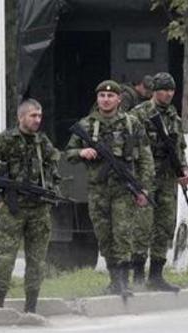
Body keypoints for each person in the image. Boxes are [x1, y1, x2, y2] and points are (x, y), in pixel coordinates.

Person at [65, 80, 155, 297]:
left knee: (122, 234)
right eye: (102, 96)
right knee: (104, 236)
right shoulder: (86, 125)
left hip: (124, 189)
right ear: (97, 99)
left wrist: (143, 189)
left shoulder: (131, 124)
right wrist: (81, 153)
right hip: (98, 190)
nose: (106, 100)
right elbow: (69, 152)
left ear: (119, 99)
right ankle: (114, 280)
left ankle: (124, 282)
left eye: (110, 96)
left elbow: (145, 158)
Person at [0, 98, 61, 313]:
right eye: (33, 115)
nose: (37, 120)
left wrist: (51, 190)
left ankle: (31, 307)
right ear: (21, 117)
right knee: (6, 258)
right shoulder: (4, 140)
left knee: (37, 261)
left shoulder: (43, 143)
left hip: (39, 210)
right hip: (12, 210)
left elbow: (54, 172)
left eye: (40, 116)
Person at [129, 72, 188, 292]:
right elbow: (131, 145)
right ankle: (137, 274)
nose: (168, 94)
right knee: (142, 226)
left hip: (166, 178)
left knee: (164, 225)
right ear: (155, 91)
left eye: (171, 90)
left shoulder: (173, 116)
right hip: (145, 177)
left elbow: (179, 147)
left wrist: (182, 169)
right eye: (164, 89)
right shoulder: (139, 114)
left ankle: (156, 275)